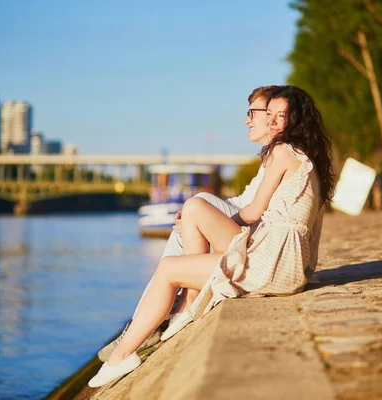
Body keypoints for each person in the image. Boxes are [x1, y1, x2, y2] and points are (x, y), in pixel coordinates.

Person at [89, 85, 336, 387]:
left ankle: (123, 354)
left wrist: (215, 221)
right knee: (195, 207)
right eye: (269, 114)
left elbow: (253, 210)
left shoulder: (281, 152)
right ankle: (185, 308)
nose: (271, 122)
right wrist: (210, 220)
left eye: (279, 116)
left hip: (273, 262)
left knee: (172, 261)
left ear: (295, 120)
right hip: (282, 259)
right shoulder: (304, 156)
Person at [96, 86, 276, 362]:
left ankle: (153, 318)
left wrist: (203, 213)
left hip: (254, 245)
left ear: (275, 116)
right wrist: (202, 215)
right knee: (189, 219)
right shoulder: (270, 157)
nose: (246, 119)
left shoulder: (281, 156)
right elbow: (244, 201)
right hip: (244, 234)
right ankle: (154, 317)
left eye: (253, 111)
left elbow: (257, 210)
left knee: (197, 205)